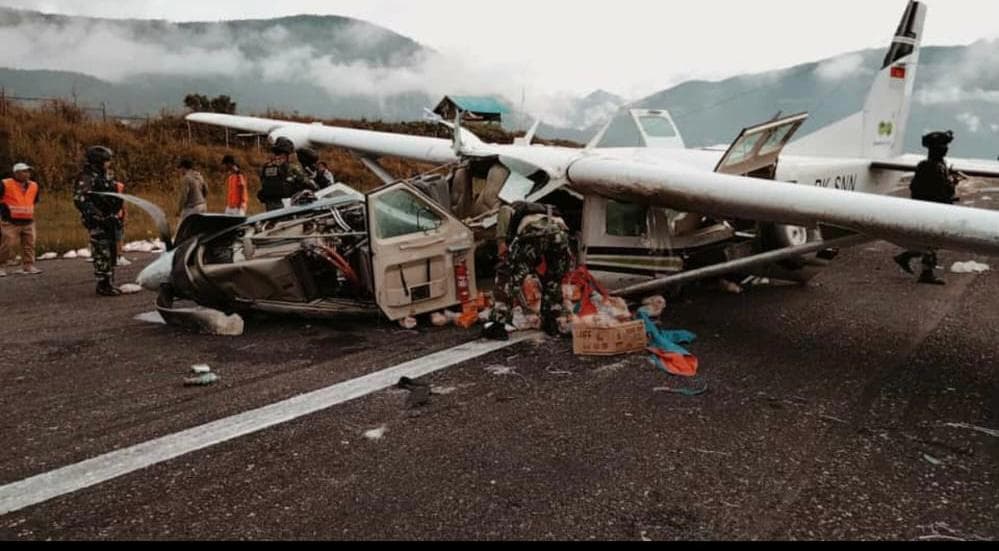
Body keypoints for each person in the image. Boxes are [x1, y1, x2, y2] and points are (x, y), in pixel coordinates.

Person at [484, 201, 575, 341]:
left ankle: (497, 324)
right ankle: (551, 321)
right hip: (560, 234)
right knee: (554, 279)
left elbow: (503, 247)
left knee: (508, 277)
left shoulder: (506, 208)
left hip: (533, 232)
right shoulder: (540, 208)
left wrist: (505, 254)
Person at [894, 131, 958, 286]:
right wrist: (953, 183)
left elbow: (914, 187)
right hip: (934, 209)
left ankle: (914, 262)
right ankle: (918, 266)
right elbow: (945, 191)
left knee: (928, 240)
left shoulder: (923, 165)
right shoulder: (938, 168)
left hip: (922, 208)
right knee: (932, 241)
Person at [74, 146, 124, 296]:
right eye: (106, 161)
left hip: (111, 217)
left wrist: (116, 211)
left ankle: (109, 280)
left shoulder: (105, 175)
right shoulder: (87, 177)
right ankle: (103, 283)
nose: (109, 163)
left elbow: (113, 193)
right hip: (97, 220)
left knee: (111, 248)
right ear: (98, 161)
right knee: (102, 250)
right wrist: (98, 217)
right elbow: (81, 200)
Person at [0, 162, 43, 277]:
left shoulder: (34, 185)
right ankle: (1, 266)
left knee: (29, 244)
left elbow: (34, 200)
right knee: (6, 245)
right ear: (16, 173)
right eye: (24, 171)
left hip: (28, 220)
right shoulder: (5, 184)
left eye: (28, 171)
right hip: (10, 221)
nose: (27, 174)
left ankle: (28, 266)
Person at [259, 138, 314, 211]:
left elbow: (263, 181)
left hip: (270, 204)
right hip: (286, 203)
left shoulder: (266, 166)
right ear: (287, 154)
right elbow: (307, 182)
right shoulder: (291, 167)